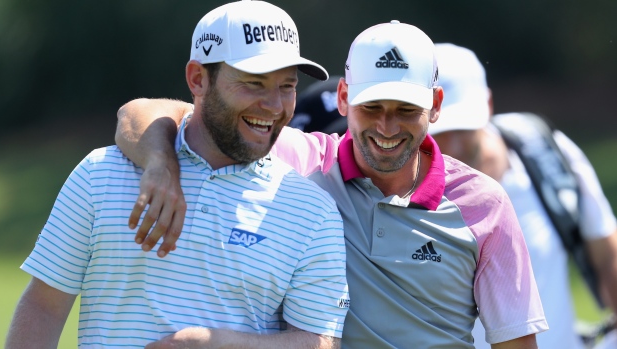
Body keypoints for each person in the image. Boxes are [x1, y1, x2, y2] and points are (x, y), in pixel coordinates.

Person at [114, 21, 549, 348]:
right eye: (371, 106)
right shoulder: (298, 160)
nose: (386, 126)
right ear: (343, 98)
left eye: (405, 109)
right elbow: (142, 112)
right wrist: (160, 161)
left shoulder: (484, 204)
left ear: (435, 105)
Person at [5, 1, 350, 348]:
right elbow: (43, 308)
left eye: (286, 87)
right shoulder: (100, 174)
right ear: (198, 79)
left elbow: (321, 342)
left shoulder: (313, 212)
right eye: (254, 83)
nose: (274, 106)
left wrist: (221, 344)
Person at [429, 43, 617, 349]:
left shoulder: (544, 153)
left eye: (462, 126)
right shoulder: (400, 189)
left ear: (487, 105)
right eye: (435, 130)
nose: (450, 144)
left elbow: (607, 254)